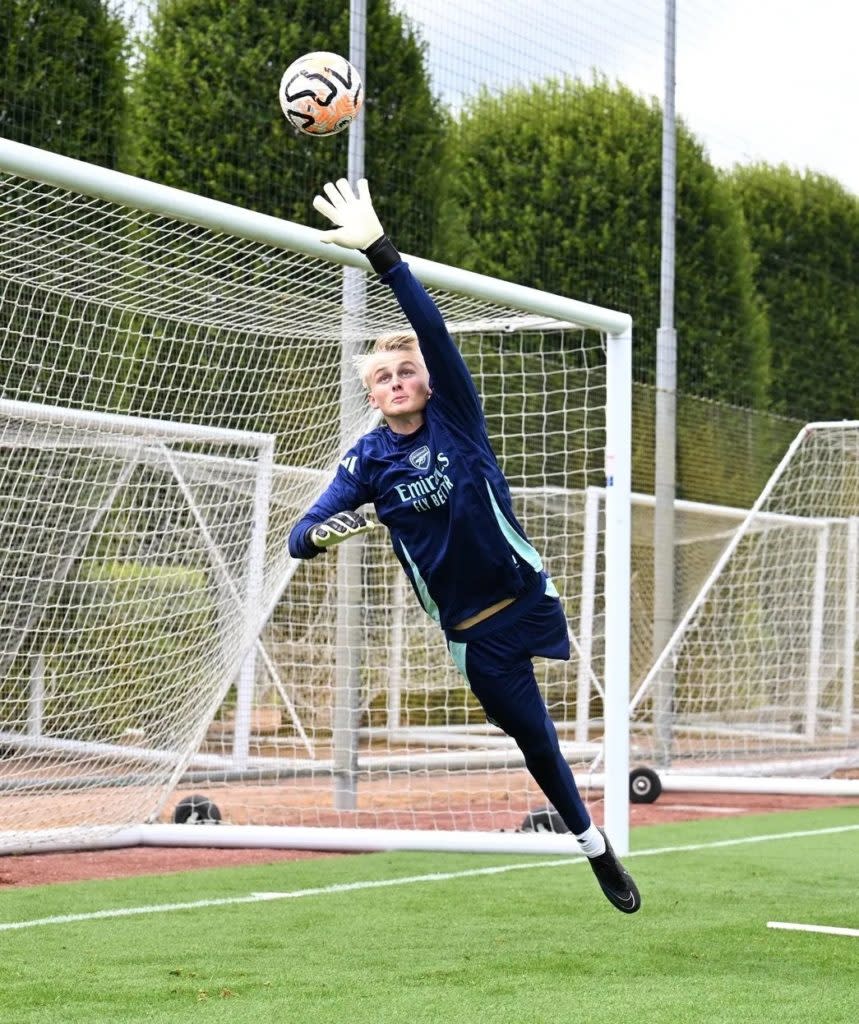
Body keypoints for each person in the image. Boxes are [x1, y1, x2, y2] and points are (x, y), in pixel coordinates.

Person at [288, 178, 641, 914]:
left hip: (526, 598)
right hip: (473, 637)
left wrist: (383, 254)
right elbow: (298, 539)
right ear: (371, 394)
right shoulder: (364, 462)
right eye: (382, 376)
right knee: (536, 743)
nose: (397, 379)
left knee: (560, 721)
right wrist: (325, 531)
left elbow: (434, 334)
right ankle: (592, 847)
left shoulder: (456, 417)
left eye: (405, 369)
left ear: (425, 380)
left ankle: (600, 832)